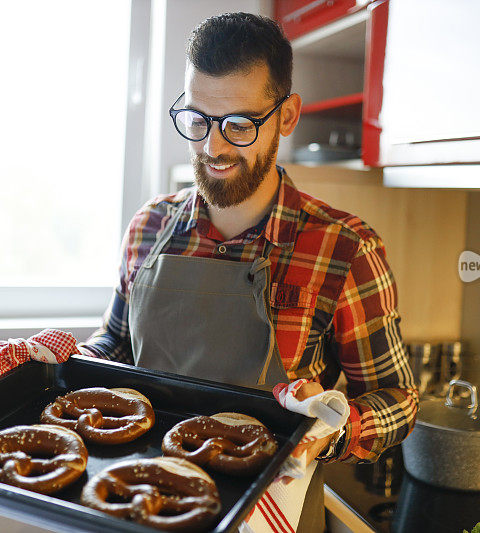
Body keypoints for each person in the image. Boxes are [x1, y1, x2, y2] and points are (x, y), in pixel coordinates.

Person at [79, 12, 418, 532]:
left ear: (286, 116)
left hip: (272, 512)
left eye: (239, 125)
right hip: (141, 503)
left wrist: (335, 425)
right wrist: (59, 362)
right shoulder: (149, 226)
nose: (213, 148)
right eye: (198, 120)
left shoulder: (344, 250)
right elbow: (115, 345)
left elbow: (400, 398)